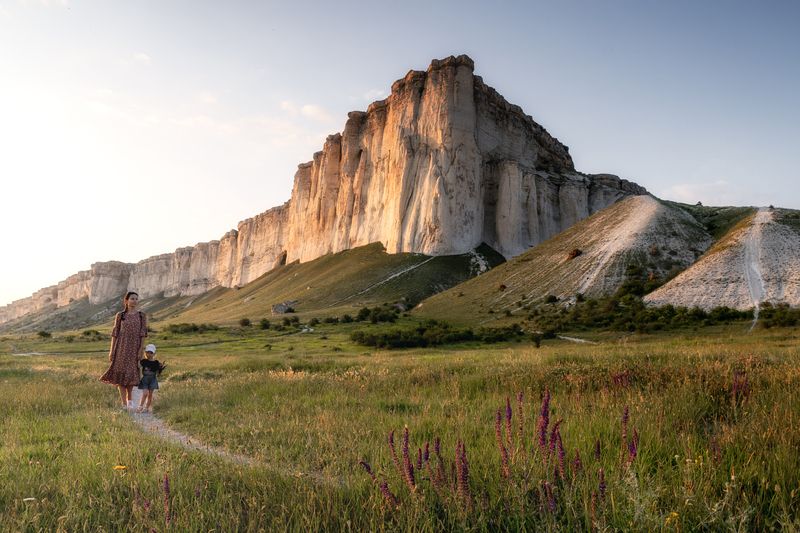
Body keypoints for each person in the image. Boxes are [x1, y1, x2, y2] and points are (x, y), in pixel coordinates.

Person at [100, 291, 147, 409]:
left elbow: (143, 334)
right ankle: (124, 404)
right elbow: (115, 334)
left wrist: (141, 350)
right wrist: (111, 351)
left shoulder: (141, 315)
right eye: (132, 299)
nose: (135, 301)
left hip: (134, 348)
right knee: (120, 375)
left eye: (136, 299)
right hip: (121, 348)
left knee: (131, 375)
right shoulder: (120, 315)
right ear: (126, 301)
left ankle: (129, 399)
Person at [136, 343, 165, 413]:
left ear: (154, 353)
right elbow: (138, 366)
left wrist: (160, 369)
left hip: (153, 380)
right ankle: (140, 406)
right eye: (147, 352)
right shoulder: (144, 361)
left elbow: (158, 372)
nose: (149, 354)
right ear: (145, 353)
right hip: (145, 379)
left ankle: (146, 407)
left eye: (151, 352)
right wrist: (139, 357)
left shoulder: (156, 362)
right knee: (145, 393)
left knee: (150, 394)